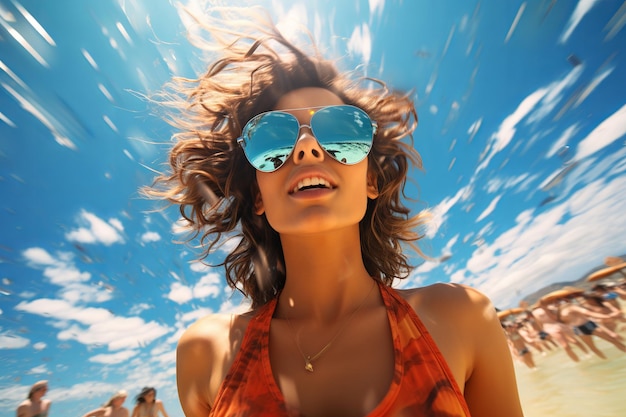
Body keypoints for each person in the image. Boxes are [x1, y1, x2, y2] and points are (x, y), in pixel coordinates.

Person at [148, 7, 523, 417]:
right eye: (273, 140)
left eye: (342, 133)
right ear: (258, 195)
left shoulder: (463, 319)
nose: (307, 149)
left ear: (370, 182)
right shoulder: (203, 353)